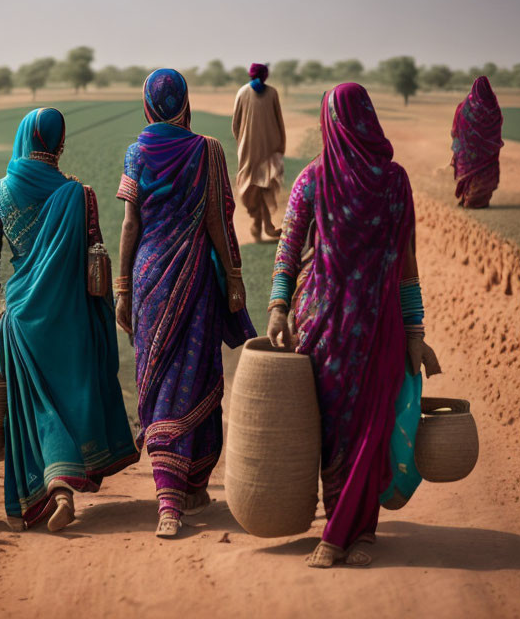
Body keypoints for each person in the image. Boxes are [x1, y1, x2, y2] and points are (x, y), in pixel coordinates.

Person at [266, 82, 440, 568]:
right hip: (324, 332)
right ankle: (341, 524)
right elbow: (288, 244)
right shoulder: (314, 181)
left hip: (376, 331)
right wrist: (279, 306)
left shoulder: (393, 183)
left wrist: (415, 332)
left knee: (369, 430)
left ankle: (355, 532)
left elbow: (407, 261)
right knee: (334, 431)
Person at [0, 107, 139, 533]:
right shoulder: (78, 194)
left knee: (35, 407)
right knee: (66, 400)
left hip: (23, 320)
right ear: (59, 144)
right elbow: (97, 257)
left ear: (23, 139)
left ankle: (58, 492)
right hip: (69, 321)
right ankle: (66, 482)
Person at [115, 69, 255, 538]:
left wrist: (122, 286)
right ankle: (178, 498)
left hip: (149, 278)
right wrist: (233, 277)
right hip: (195, 278)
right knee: (193, 379)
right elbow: (217, 219)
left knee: (156, 382)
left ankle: (178, 496)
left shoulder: (138, 152)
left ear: (149, 104)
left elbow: (130, 224)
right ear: (185, 103)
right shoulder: (208, 151)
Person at [232, 63, 286, 240]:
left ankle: (260, 223)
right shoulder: (272, 93)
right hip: (270, 147)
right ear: (265, 75)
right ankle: (264, 225)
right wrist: (281, 144)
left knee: (252, 185)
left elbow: (236, 125)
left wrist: (242, 142)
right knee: (264, 185)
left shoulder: (242, 92)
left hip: (248, 149)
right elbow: (279, 121)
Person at [450, 76, 503, 208]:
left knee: (469, 175)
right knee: (481, 174)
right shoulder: (493, 107)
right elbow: (497, 126)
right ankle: (478, 201)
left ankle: (466, 199)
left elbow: (457, 127)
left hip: (467, 152)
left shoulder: (465, 106)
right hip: (488, 152)